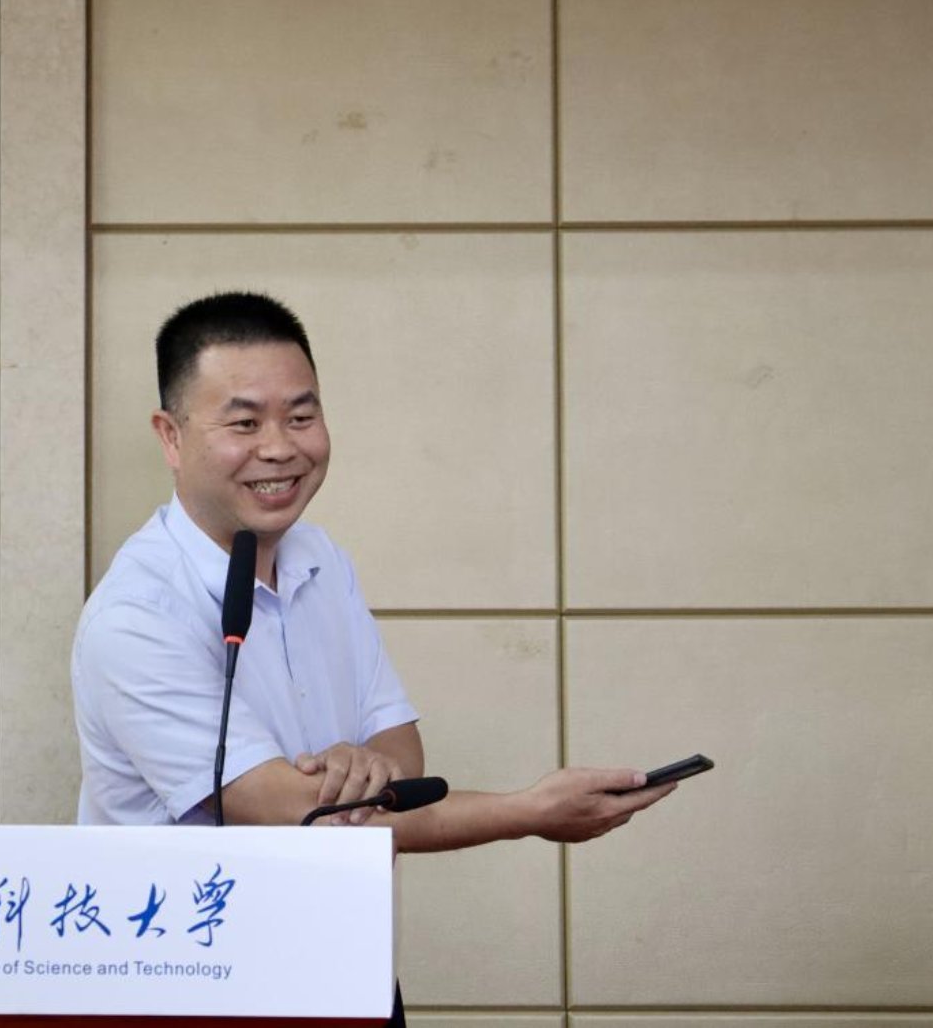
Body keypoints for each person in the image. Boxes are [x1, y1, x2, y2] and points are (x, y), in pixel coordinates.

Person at [71, 292, 676, 1020]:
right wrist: (527, 810)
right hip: (195, 997)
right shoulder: (137, 615)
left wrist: (361, 768)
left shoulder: (319, 558)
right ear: (170, 437)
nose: (279, 447)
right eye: (244, 422)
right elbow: (294, 815)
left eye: (301, 416)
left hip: (346, 975)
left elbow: (400, 750)